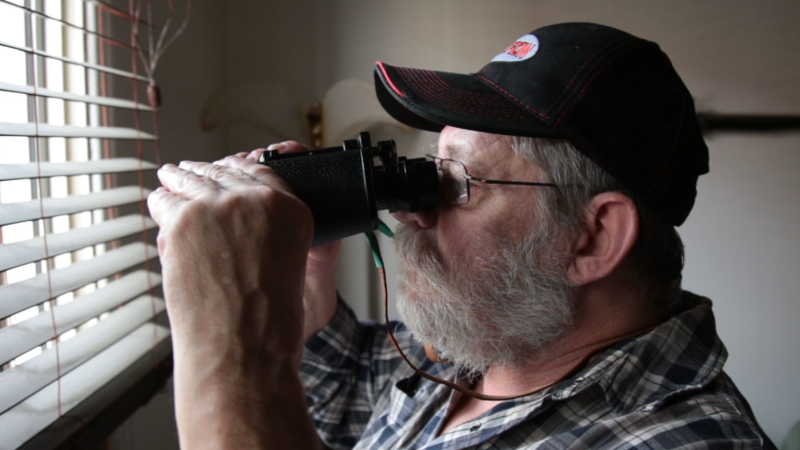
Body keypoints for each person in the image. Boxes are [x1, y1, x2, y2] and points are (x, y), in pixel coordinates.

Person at [148, 23, 775, 449]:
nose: (413, 212)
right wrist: (299, 294)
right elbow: (342, 399)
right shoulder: (474, 356)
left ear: (593, 237)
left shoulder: (681, 439)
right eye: (430, 171)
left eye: (458, 180)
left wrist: (230, 343)